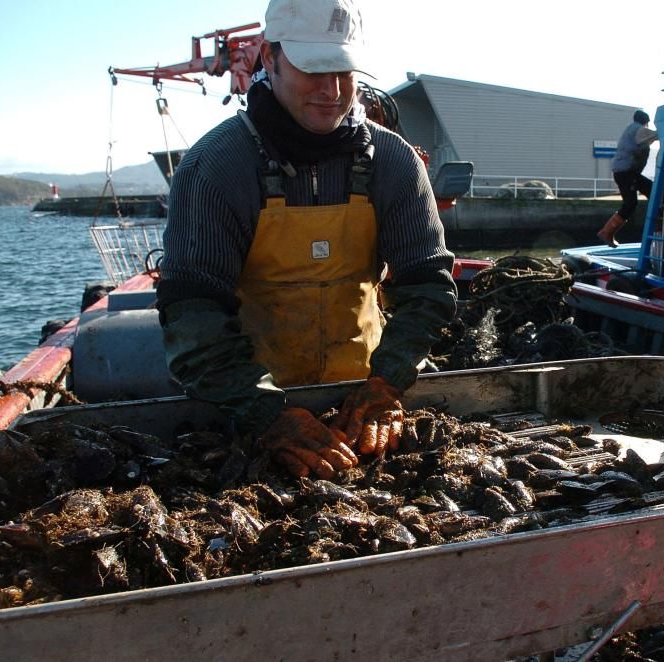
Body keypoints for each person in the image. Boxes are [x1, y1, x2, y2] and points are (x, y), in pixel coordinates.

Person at [156, 0, 457, 479]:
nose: (331, 90)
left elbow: (428, 287)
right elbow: (193, 315)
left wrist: (386, 383)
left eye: (343, 69)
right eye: (312, 68)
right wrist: (265, 415)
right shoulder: (216, 166)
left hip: (364, 402)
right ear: (270, 59)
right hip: (238, 408)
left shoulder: (395, 163)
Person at [598, 110, 657, 246]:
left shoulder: (631, 129)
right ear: (646, 122)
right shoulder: (639, 129)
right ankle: (606, 232)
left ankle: (607, 232)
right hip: (626, 172)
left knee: (633, 201)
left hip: (623, 172)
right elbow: (658, 135)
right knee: (650, 192)